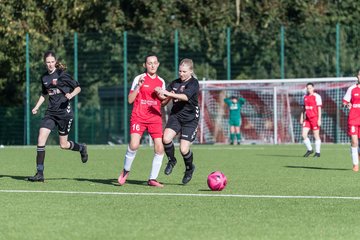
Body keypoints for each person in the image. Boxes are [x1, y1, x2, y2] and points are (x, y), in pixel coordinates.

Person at [27, 50, 88, 182]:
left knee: (64, 145)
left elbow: (78, 88)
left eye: (52, 62)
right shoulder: (44, 78)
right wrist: (36, 107)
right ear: (45, 63)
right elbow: (44, 94)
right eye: (48, 62)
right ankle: (39, 173)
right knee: (41, 138)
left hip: (64, 114)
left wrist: (71, 95)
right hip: (50, 113)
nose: (50, 64)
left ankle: (82, 148)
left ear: (55, 62)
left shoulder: (62, 74)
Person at [117, 54, 166, 187]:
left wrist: (163, 96)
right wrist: (138, 86)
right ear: (145, 65)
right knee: (134, 145)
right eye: (149, 63)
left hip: (155, 117)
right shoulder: (139, 78)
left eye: (155, 63)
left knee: (160, 147)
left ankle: (152, 179)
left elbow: (164, 102)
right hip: (139, 116)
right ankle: (126, 171)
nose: (152, 65)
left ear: (158, 64)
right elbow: (130, 100)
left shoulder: (161, 81)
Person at [155, 58, 199, 184]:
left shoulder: (193, 83)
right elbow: (164, 98)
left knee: (184, 149)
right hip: (176, 116)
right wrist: (158, 92)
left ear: (191, 71)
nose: (181, 74)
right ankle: (171, 160)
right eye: (180, 71)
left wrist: (169, 93)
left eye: (184, 71)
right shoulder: (174, 83)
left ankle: (189, 169)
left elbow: (185, 97)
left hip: (191, 119)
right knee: (166, 139)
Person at [343, 70, 360, 172]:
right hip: (353, 119)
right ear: (357, 77)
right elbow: (344, 101)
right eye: (359, 75)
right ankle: (355, 165)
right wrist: (347, 104)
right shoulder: (352, 89)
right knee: (354, 141)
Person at [300, 82, 322, 158]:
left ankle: (318, 153)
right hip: (307, 119)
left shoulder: (317, 96)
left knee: (316, 135)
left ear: (313, 88)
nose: (309, 89)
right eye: (307, 88)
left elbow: (319, 109)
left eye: (310, 88)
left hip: (315, 118)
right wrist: (301, 117)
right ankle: (310, 149)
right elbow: (303, 108)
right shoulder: (304, 97)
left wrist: (319, 119)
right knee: (303, 135)